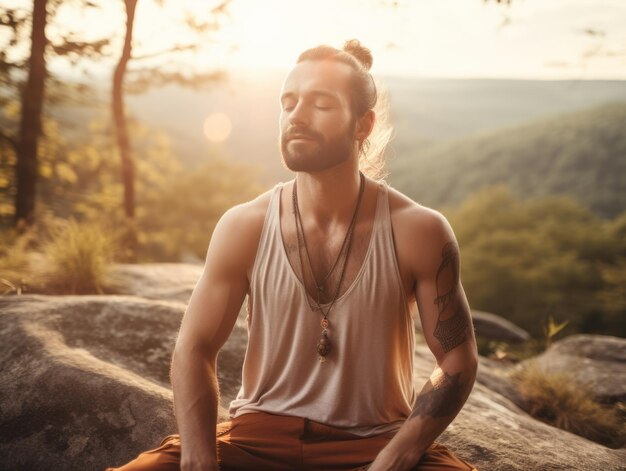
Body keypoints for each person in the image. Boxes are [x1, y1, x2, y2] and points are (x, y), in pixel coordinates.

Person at [108, 39, 479, 471]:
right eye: (288, 103)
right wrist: (197, 458)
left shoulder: (418, 230)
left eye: (320, 104)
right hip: (255, 440)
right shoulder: (243, 226)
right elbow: (194, 347)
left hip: (375, 443)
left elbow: (457, 357)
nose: (296, 117)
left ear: (363, 125)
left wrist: (398, 456)